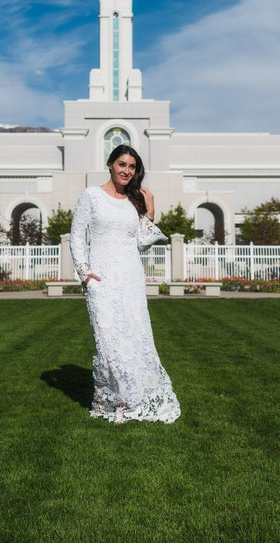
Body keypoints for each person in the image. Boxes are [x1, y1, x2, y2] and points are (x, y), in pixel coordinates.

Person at [70, 144, 181, 424]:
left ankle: (125, 401)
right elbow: (76, 236)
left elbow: (141, 244)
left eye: (132, 167)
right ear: (110, 164)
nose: (127, 171)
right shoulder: (91, 196)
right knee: (108, 340)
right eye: (122, 165)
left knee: (133, 338)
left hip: (130, 277)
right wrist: (84, 273)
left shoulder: (135, 200)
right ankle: (109, 398)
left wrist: (150, 211)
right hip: (101, 279)